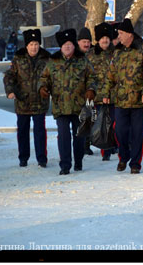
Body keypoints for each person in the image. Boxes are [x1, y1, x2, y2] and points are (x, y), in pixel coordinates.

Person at [102, 18, 143, 174]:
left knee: (137, 134)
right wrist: (106, 92)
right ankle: (123, 156)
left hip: (138, 101)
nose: (118, 36)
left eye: (120, 33)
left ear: (129, 34)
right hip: (120, 101)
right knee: (120, 131)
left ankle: (135, 163)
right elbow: (110, 74)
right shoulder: (118, 52)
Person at [39, 28, 96, 175]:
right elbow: (44, 78)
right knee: (63, 136)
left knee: (79, 136)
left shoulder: (82, 60)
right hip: (61, 106)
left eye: (70, 44)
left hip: (79, 106)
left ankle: (78, 161)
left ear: (74, 45)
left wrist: (91, 89)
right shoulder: (53, 61)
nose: (68, 47)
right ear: (61, 47)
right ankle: (65, 165)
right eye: (65, 45)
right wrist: (43, 88)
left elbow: (92, 77)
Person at [3, 28, 51, 168]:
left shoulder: (46, 58)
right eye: (31, 44)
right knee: (23, 131)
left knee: (40, 132)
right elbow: (9, 76)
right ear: (26, 46)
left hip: (39, 102)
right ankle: (23, 157)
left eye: (36, 44)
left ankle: (42, 158)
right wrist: (10, 91)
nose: (34, 47)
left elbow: (52, 77)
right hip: (22, 101)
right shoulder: (19, 58)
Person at [87, 22, 117, 160]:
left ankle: (112, 147)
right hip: (97, 96)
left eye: (107, 37)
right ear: (98, 40)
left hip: (114, 95)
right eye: (102, 38)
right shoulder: (91, 55)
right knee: (101, 123)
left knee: (113, 123)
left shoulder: (116, 53)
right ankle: (104, 149)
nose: (105, 40)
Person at [78, 26, 94, 154]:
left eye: (88, 42)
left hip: (90, 92)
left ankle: (86, 145)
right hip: (76, 94)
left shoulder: (93, 54)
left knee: (88, 119)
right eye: (84, 42)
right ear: (78, 42)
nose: (87, 44)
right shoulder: (74, 54)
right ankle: (79, 144)